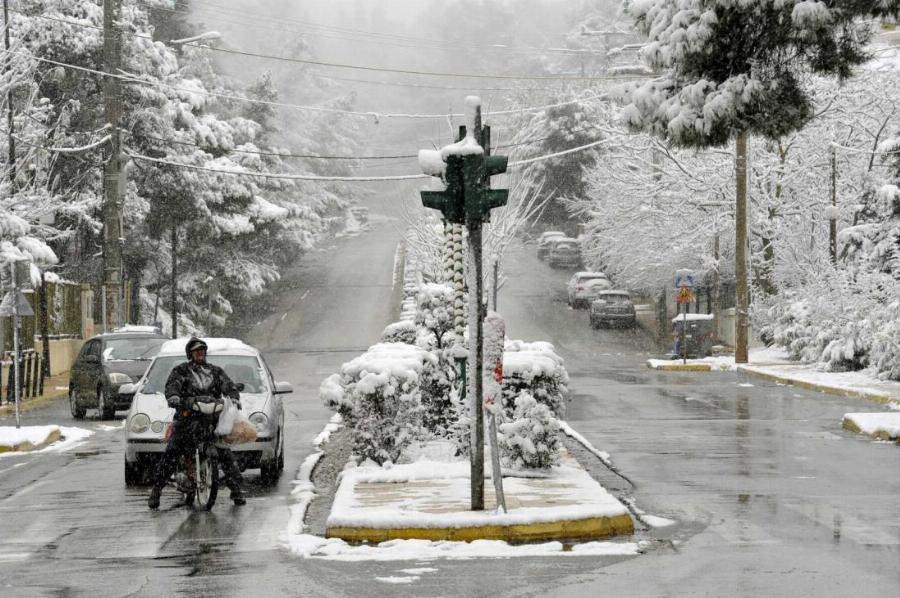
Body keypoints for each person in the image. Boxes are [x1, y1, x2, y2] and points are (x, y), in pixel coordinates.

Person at [148, 337, 246, 509]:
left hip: (211, 421)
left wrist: (234, 396)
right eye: (196, 351)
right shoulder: (181, 371)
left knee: (225, 453)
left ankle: (237, 490)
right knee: (172, 451)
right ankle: (156, 490)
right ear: (190, 354)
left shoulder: (215, 371)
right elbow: (172, 386)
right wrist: (174, 397)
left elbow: (228, 386)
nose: (200, 353)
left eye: (202, 350)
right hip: (187, 419)